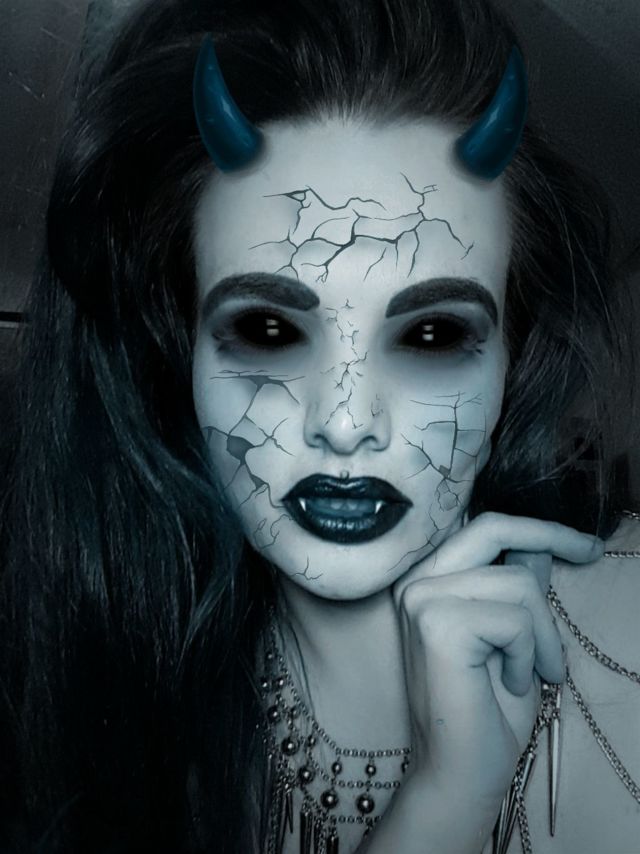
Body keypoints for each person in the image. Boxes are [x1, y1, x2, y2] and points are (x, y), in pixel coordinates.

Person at [0, 0, 636, 852]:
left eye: (432, 335)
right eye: (268, 330)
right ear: (179, 355)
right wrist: (444, 803)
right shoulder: (129, 708)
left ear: (511, 360)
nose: (342, 423)